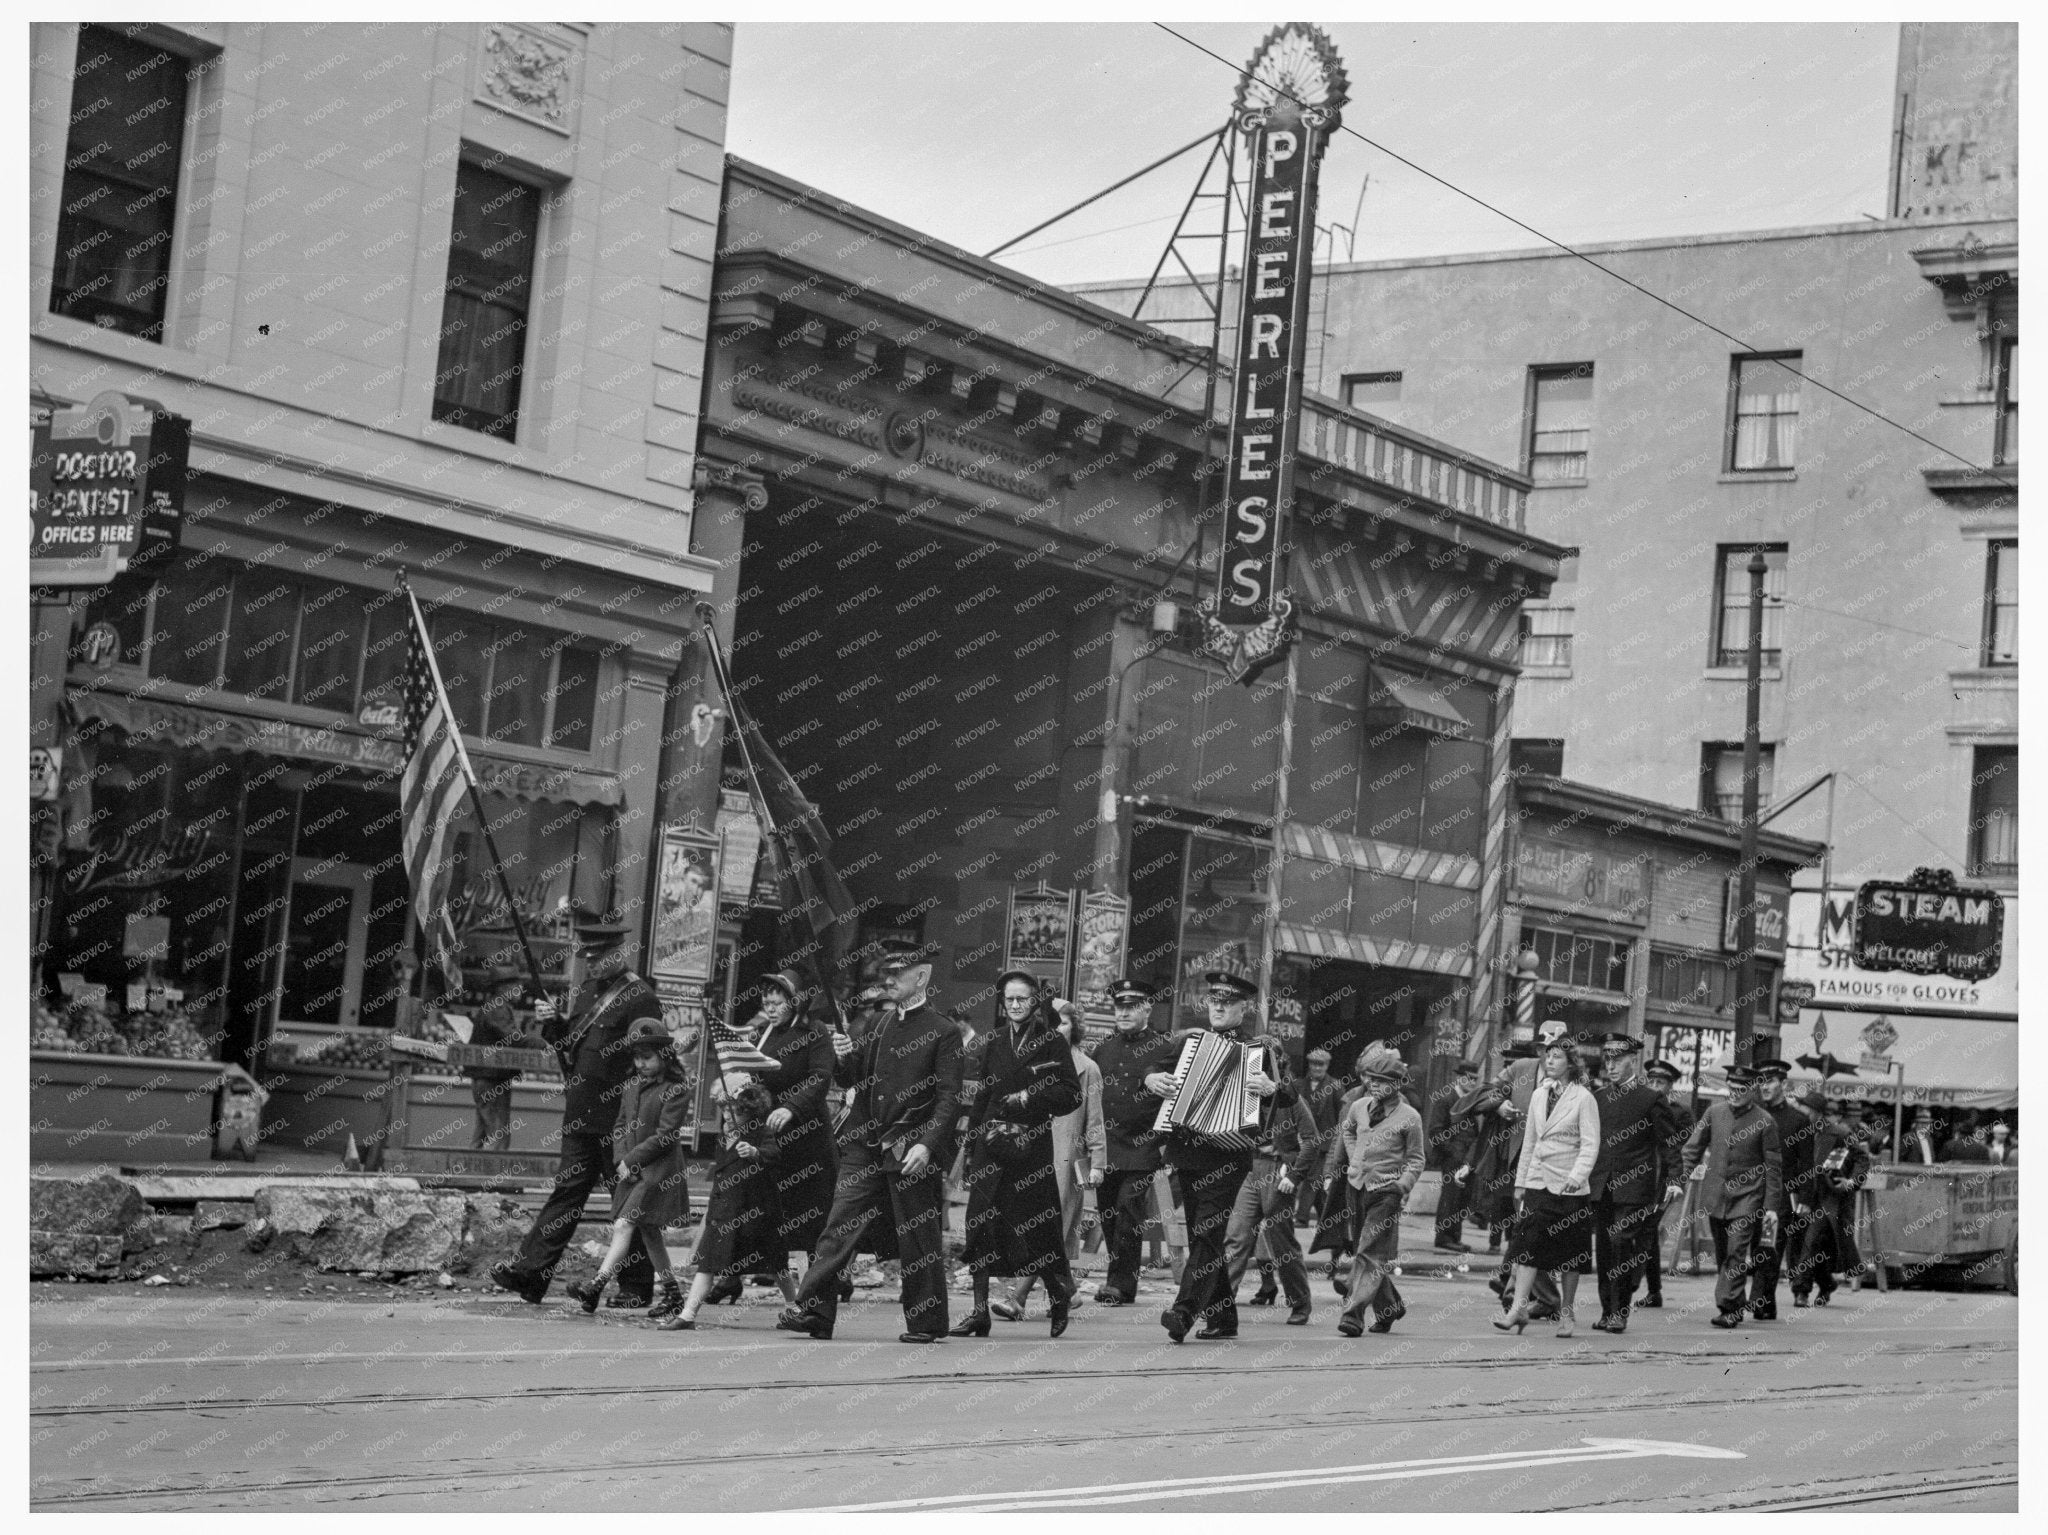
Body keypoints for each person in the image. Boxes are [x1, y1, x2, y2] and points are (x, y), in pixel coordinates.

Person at [778, 938, 962, 1344]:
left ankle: (927, 1322)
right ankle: (815, 1312)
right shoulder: (876, 1025)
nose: (888, 980)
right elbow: (853, 1082)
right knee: (837, 1227)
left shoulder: (943, 1031)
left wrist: (928, 1144)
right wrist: (844, 1056)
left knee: (917, 1238)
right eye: (886, 974)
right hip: (865, 1143)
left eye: (897, 974)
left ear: (922, 976)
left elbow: (949, 1098)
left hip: (909, 1146)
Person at [491, 907, 660, 1306]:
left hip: (618, 1119)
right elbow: (571, 1048)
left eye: (599, 957)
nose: (592, 963)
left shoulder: (640, 998)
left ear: (618, 952)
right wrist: (553, 1024)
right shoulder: (586, 992)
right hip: (582, 1113)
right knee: (566, 1194)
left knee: (625, 1201)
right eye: (588, 957)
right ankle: (530, 1276)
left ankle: (636, 1288)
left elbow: (652, 1062)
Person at [1144, 962, 1285, 1343]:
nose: (1218, 1008)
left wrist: (1271, 1088)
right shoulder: (1190, 1043)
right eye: (1214, 1001)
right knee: (1204, 1235)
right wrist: (1153, 1079)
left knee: (1207, 1234)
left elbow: (1288, 1095)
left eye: (1228, 1002)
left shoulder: (1259, 1048)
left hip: (1229, 1155)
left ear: (1243, 1008)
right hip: (1189, 1151)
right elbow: (1156, 1070)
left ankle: (1184, 1311)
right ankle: (1225, 1320)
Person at [953, 972, 1084, 1339]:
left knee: (1034, 1229)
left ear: (1035, 1001)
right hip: (990, 1147)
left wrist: (1030, 1097)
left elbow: (1071, 1095)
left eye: (1022, 999)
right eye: (1009, 999)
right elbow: (982, 1096)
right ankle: (979, 1312)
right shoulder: (993, 1041)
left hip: (1030, 1149)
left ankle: (1058, 1296)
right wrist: (969, 1148)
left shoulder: (1051, 1042)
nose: (1014, 1006)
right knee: (979, 1225)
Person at [566, 1018, 691, 1317]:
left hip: (659, 1170)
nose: (640, 1064)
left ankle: (596, 1285)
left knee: (624, 1224)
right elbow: (620, 1125)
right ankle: (673, 1294)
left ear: (665, 1056)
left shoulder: (676, 1089)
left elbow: (665, 1136)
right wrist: (622, 1160)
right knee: (649, 1233)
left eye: (647, 1058)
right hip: (633, 1169)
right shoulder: (631, 1086)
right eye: (636, 1058)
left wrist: (630, 1160)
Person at [1000, 997, 1105, 1321]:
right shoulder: (1029, 1061)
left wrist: (1098, 1161)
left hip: (1066, 1160)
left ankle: (1017, 1298)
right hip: (1031, 1155)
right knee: (1040, 1229)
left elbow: (1095, 1120)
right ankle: (1068, 1292)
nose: (1055, 1028)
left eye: (1062, 1022)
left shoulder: (1088, 1068)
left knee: (1047, 1228)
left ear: (1075, 1027)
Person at [1495, 1041, 1600, 1337]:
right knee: (1527, 1245)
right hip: (1539, 1182)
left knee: (1570, 1252)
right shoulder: (1540, 1095)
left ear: (1571, 1063)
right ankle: (1518, 1308)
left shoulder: (1583, 1098)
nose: (1549, 1061)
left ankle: (1566, 1312)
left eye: (1557, 1056)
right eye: (1547, 1056)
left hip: (1569, 1186)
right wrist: (1521, 1182)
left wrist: (1578, 1176)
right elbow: (1530, 1141)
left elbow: (1590, 1143)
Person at [666, 1072, 783, 1329]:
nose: (729, 1118)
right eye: (725, 1112)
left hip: (753, 1210)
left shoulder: (759, 1131)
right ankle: (688, 1314)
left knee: (774, 1264)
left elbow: (774, 1154)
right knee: (707, 1263)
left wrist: (755, 1153)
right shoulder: (725, 1134)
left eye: (735, 1113)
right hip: (724, 1210)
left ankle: (795, 1306)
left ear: (750, 1110)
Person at [1087, 977, 1177, 1306]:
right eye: (1120, 1007)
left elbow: (1173, 1096)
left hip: (1143, 1148)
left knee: (1127, 1211)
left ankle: (1120, 1285)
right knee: (1109, 1214)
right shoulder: (1103, 1048)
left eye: (1132, 1007)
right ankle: (1118, 1277)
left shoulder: (1165, 1047)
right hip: (1106, 1147)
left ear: (1147, 1009)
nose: (1124, 1013)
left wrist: (1163, 1142)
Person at [1675, 1064, 1784, 1329]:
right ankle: (1735, 1300)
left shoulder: (1765, 1121)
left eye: (1741, 1089)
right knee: (1724, 1253)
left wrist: (1771, 1206)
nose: (1734, 1094)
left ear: (1752, 1090)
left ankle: (1729, 1307)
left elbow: (1773, 1166)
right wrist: (1679, 1179)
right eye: (1731, 1088)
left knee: (1737, 1251)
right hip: (1716, 1197)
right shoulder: (1714, 1112)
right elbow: (1693, 1148)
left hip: (1748, 1198)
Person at [746, 968, 839, 1280]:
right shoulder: (763, 1036)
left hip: (809, 1141)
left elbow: (820, 1076)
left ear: (795, 1002)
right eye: (766, 1003)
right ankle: (765, 1273)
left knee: (813, 1217)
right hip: (774, 1141)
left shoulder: (815, 1031)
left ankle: (821, 1284)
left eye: (776, 1003)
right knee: (772, 1211)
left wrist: (791, 1108)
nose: (770, 1009)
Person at [1221, 1046, 1318, 1326]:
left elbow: (1311, 1140)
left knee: (1281, 1242)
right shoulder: (1244, 1094)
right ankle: (1222, 1303)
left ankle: (1300, 1302)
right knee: (1236, 1238)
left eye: (1264, 1066)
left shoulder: (1291, 1099)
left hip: (1278, 1170)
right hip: (1249, 1168)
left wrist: (1294, 1175)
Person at [1589, 1034, 1678, 1334]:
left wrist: (1675, 1179)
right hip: (1601, 1184)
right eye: (1607, 1060)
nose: (1611, 1066)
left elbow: (1670, 1144)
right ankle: (1606, 1310)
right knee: (1603, 1247)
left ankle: (1620, 1311)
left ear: (1633, 1061)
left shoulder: (1650, 1098)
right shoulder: (1599, 1098)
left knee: (1620, 1243)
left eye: (1618, 1060)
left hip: (1635, 1187)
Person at [1333, 1047, 1426, 1336]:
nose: (1373, 1085)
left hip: (1386, 1193)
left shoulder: (1410, 1117)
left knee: (1367, 1253)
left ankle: (1353, 1315)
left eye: (1381, 1081)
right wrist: (1354, 1157)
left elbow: (1417, 1159)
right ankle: (1390, 1307)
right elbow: (1347, 1131)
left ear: (1397, 1084)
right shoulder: (1358, 1106)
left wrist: (1402, 1184)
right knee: (1369, 1254)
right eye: (1371, 1079)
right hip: (1357, 1188)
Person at [1750, 1058, 1817, 1321]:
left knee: (1769, 1246)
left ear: (1784, 1084)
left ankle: (1756, 1300)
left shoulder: (1798, 1121)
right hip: (1753, 1192)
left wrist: (1806, 1200)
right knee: (1760, 1247)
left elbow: (1807, 1164)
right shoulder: (1754, 1116)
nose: (1764, 1087)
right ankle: (1767, 1304)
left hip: (1781, 1197)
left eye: (1770, 1081)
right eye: (1761, 1082)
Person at [1791, 1094, 1870, 1306]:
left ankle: (1801, 1290)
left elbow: (1862, 1158)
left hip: (1829, 1199)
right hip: (1803, 1195)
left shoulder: (1840, 1132)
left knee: (1811, 1241)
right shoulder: (1799, 1132)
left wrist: (1852, 1181)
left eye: (1804, 1109)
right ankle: (1826, 1284)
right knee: (1807, 1245)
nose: (1799, 1113)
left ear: (1816, 1113)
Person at [1638, 1056, 1692, 1309]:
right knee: (1645, 1231)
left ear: (1670, 1086)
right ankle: (1653, 1289)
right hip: (1639, 1175)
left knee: (1648, 1229)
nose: (1655, 1086)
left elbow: (1680, 1147)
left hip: (1664, 1178)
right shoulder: (1638, 1106)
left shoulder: (1679, 1113)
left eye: (1661, 1082)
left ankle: (1637, 1282)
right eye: (1652, 1081)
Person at [462, 958, 528, 1152]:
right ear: (505, 988)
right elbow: (514, 1039)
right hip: (492, 1080)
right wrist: (540, 1043)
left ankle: (467, 1176)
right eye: (517, 986)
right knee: (499, 1136)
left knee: (481, 1135)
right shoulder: (498, 1008)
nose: (521, 990)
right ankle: (490, 1181)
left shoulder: (496, 1006)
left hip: (488, 1079)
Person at [1427, 1061, 1483, 1253]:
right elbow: (1435, 1131)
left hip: (1466, 1159)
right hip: (1452, 1158)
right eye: (1469, 1078)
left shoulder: (1470, 1100)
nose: (1472, 1082)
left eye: (1475, 1079)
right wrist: (1453, 1152)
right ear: (1459, 1078)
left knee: (1461, 1198)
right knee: (1451, 1196)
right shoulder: (1446, 1100)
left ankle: (1454, 1237)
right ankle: (1444, 1237)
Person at [1297, 1048, 1347, 1226]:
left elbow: (1342, 1114)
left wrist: (1337, 1140)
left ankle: (1301, 1218)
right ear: (1309, 1065)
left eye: (1321, 1065)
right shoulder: (1299, 1085)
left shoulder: (1335, 1086)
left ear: (1327, 1066)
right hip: (1305, 1140)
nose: (1317, 1068)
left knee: (1311, 1178)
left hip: (1325, 1143)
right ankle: (1326, 1218)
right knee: (1315, 1181)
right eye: (1314, 1064)